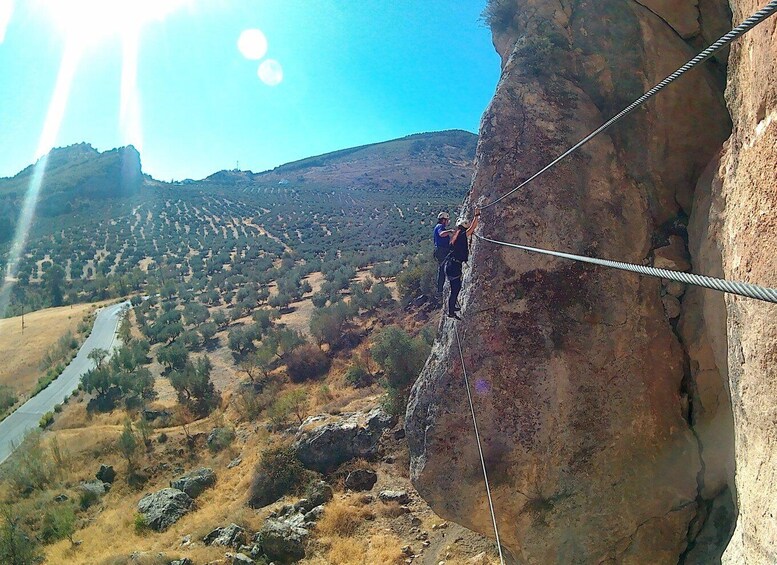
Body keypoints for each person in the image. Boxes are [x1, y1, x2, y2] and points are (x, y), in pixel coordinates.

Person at [445, 207, 480, 320]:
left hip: (450, 265)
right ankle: (451, 311)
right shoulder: (461, 235)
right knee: (456, 289)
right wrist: (477, 215)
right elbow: (473, 227)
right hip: (454, 266)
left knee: (455, 288)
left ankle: (452, 307)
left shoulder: (456, 234)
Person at [433, 212, 455, 295]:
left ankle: (440, 289)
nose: (447, 222)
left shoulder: (439, 227)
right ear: (443, 220)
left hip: (441, 251)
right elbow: (441, 234)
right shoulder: (440, 227)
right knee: (443, 269)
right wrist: (449, 231)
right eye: (447, 220)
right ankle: (440, 290)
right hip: (442, 251)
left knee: (442, 269)